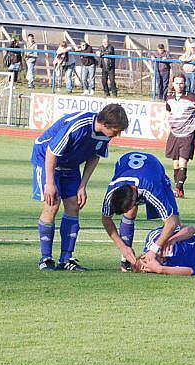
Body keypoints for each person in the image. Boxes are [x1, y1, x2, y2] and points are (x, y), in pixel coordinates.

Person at [31, 104, 129, 271]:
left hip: (70, 164)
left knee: (73, 206)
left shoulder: (105, 135)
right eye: (116, 130)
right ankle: (46, 259)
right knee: (52, 204)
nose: (117, 134)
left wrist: (82, 186)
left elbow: (94, 156)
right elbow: (51, 153)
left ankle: (66, 258)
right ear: (105, 124)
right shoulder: (78, 126)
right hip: (47, 161)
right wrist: (50, 183)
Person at [100, 151, 184, 272]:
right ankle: (126, 259)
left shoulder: (151, 189)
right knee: (130, 213)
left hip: (154, 169)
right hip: (127, 163)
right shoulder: (112, 191)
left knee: (176, 224)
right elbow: (106, 219)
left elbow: (171, 223)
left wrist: (153, 250)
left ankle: (171, 260)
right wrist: (122, 247)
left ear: (135, 193)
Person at [165, 74, 195, 198]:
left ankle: (177, 188)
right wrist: (167, 124)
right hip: (174, 134)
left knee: (182, 162)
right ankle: (179, 189)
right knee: (175, 164)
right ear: (173, 84)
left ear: (185, 84)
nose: (179, 86)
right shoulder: (169, 97)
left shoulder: (192, 98)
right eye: (176, 83)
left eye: (181, 83)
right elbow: (168, 110)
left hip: (187, 134)